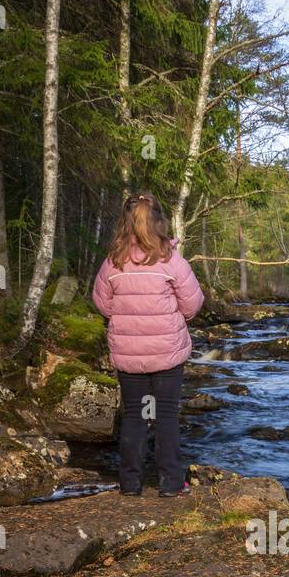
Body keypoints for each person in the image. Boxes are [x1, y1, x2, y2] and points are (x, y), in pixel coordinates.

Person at [92, 193, 204, 496]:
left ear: (124, 223)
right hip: (167, 352)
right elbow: (193, 305)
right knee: (166, 415)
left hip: (129, 354)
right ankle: (170, 483)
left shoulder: (112, 263)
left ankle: (129, 484)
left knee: (135, 416)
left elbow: (102, 304)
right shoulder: (171, 261)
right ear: (159, 221)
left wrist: (128, 320)